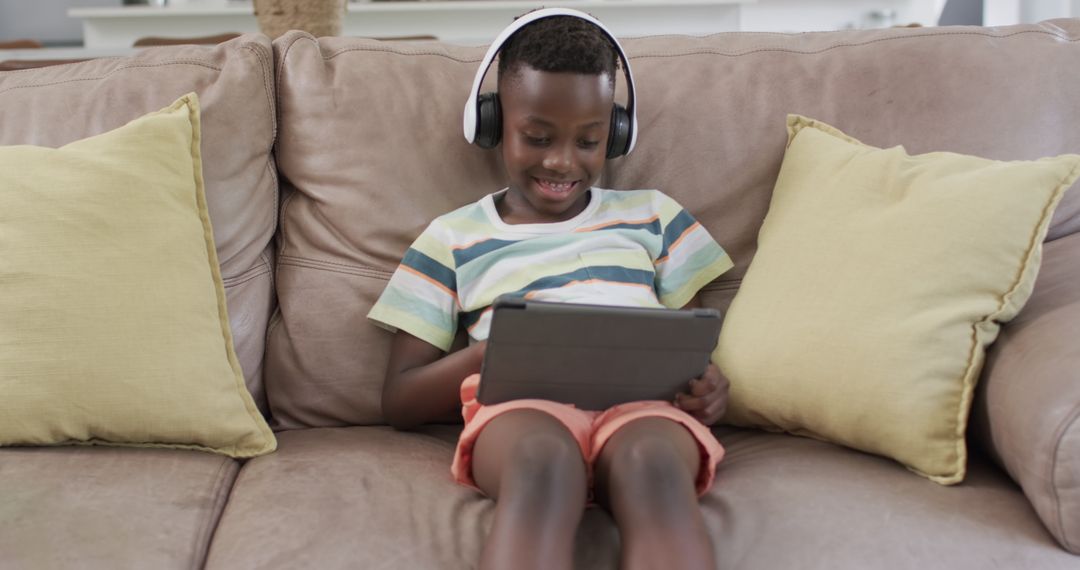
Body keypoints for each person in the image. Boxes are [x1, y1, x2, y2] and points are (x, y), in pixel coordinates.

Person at [368, 9, 733, 570]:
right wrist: (496, 356)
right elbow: (399, 400)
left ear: (616, 134)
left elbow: (689, 347)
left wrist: (708, 389)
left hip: (644, 412)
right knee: (543, 463)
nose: (563, 161)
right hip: (519, 413)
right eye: (537, 137)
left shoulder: (654, 217)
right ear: (491, 124)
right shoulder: (452, 238)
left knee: (654, 469)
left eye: (589, 141)